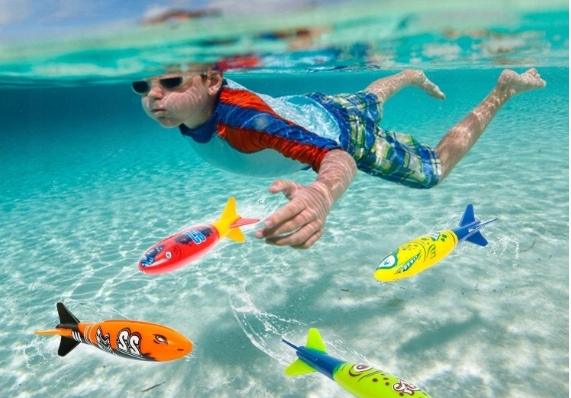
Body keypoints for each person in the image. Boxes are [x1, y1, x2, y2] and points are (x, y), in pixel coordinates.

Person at [132, 65, 546, 249]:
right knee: (369, 98)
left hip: (345, 134)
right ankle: (406, 75)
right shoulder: (194, 103)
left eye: (171, 81)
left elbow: (337, 157)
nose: (153, 96)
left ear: (212, 80)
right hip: (316, 107)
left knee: (432, 171)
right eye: (142, 85)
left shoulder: (245, 123)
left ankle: (502, 91)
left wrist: (321, 194)